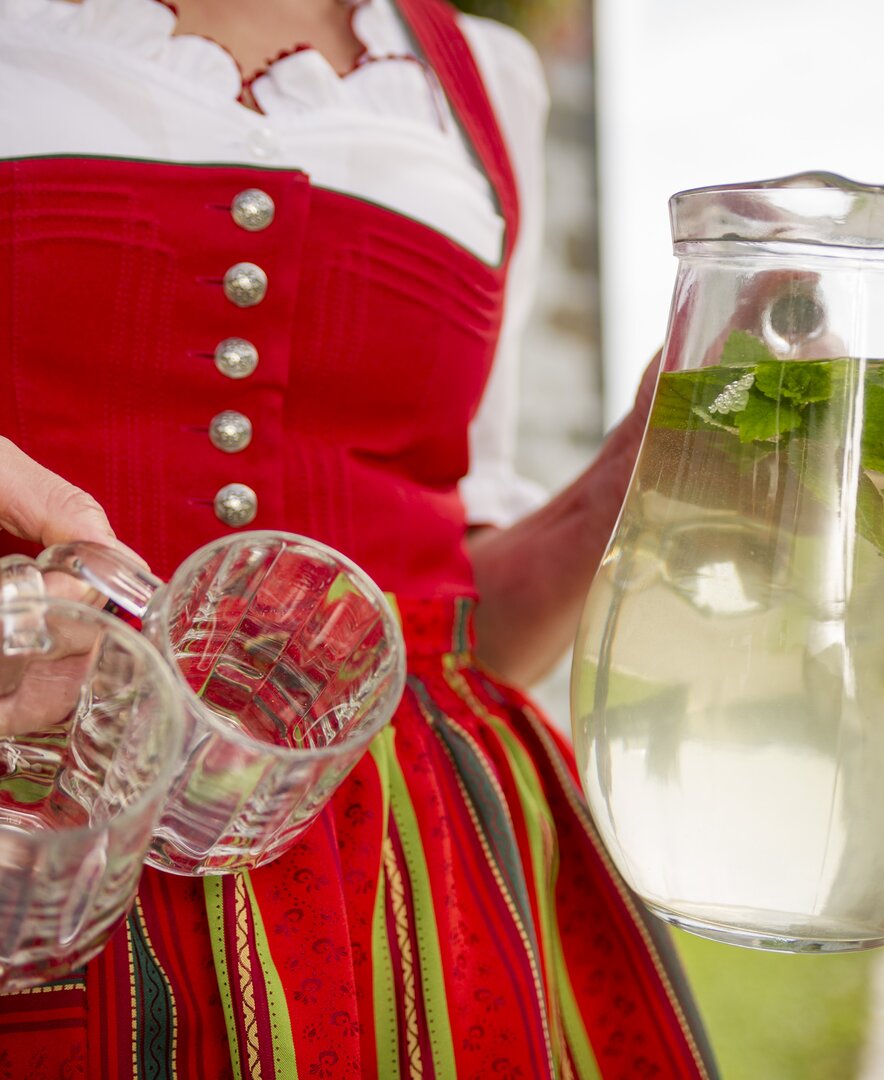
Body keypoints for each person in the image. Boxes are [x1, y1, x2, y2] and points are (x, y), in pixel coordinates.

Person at [0, 0, 718, 1076]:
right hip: (40, 807)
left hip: (400, 876)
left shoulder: (487, 83)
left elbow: (463, 629)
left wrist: (633, 473)